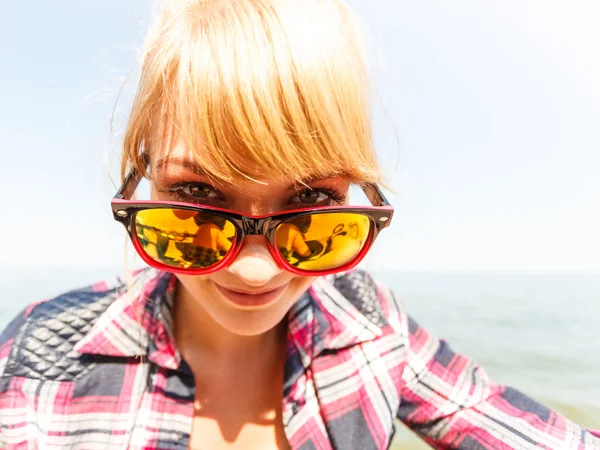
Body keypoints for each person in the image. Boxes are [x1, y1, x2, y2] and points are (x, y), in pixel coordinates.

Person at [0, 0, 598, 449]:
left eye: (310, 204)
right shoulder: (35, 366)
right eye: (194, 198)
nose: (255, 269)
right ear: (140, 179)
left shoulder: (368, 322)